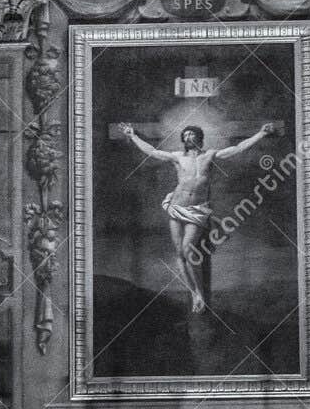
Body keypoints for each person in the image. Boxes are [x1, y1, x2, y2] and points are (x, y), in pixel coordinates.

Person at [117, 120, 278, 314]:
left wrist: (261, 133)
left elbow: (237, 148)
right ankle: (194, 293)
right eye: (185, 136)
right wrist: (132, 135)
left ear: (199, 138)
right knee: (179, 252)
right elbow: (152, 151)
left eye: (191, 134)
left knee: (188, 250)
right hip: (177, 206)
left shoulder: (209, 156)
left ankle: (200, 293)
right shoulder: (177, 157)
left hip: (197, 209)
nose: (187, 137)